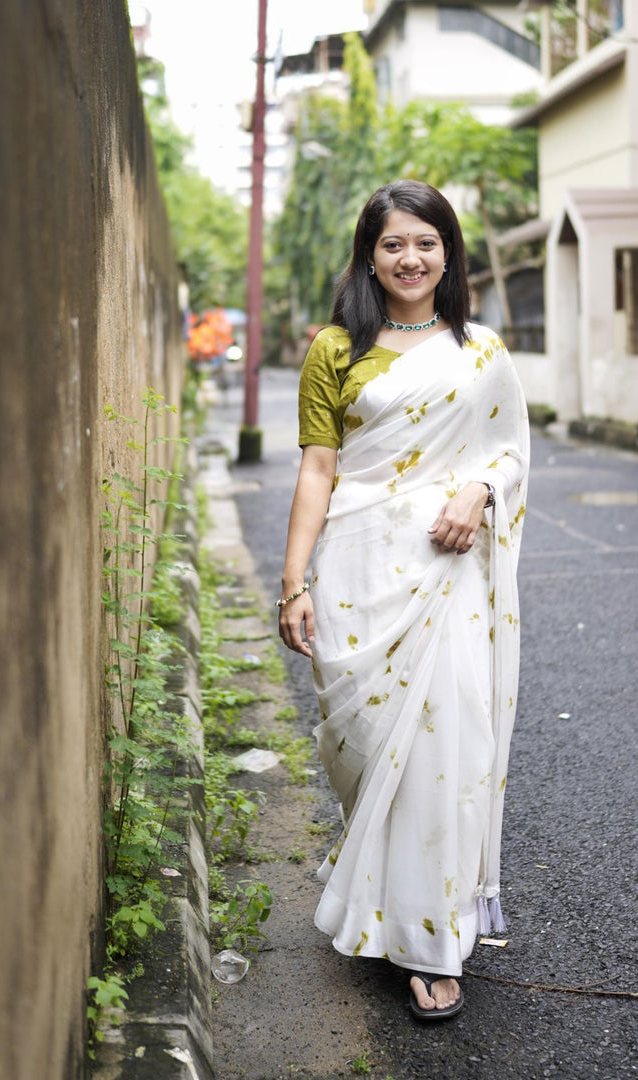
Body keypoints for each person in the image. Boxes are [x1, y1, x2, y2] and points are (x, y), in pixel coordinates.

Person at [278, 180, 529, 1020]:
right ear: (369, 255)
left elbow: (510, 454)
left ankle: (431, 936)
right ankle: (382, 891)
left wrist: (481, 490)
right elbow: (319, 469)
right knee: (362, 748)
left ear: (447, 252)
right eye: (392, 244)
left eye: (425, 242)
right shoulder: (333, 350)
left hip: (448, 575)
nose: (409, 258)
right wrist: (293, 582)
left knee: (443, 748)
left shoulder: (481, 353)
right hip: (355, 572)